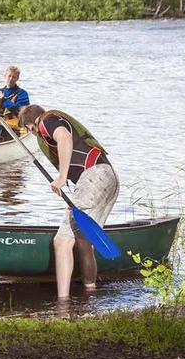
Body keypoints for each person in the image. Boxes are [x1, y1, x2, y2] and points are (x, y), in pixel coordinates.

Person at [18, 104, 119, 299]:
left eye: (29, 131)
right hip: (110, 177)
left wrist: (62, 177)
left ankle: (62, 304)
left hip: (93, 176)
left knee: (62, 241)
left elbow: (64, 138)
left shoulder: (46, 121)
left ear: (30, 126)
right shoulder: (51, 120)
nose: (32, 134)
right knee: (83, 241)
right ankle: (90, 293)